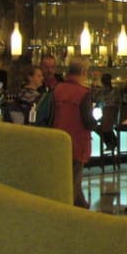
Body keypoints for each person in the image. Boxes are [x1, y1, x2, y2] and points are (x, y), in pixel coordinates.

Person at [52, 57, 98, 209]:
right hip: (78, 141)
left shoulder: (58, 89)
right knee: (74, 180)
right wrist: (97, 123)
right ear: (83, 72)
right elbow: (87, 121)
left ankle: (82, 206)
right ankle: (70, 211)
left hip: (59, 140)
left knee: (67, 178)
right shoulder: (83, 93)